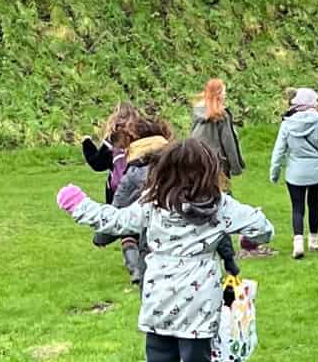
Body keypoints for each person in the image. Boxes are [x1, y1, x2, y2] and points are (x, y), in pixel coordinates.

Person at [58, 140, 275, 362]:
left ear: (163, 170)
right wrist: (247, 235)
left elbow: (116, 220)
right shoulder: (219, 205)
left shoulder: (153, 202)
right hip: (200, 299)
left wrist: (77, 204)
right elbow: (263, 229)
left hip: (159, 295)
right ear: (209, 171)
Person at [97, 116, 242, 285]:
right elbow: (213, 215)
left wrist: (101, 237)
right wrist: (229, 259)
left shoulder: (133, 173)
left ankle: (139, 274)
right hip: (194, 254)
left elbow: (118, 208)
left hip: (152, 249)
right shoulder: (183, 169)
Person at [270, 87, 318, 259]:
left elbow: (279, 151)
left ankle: (298, 243)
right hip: (317, 173)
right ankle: (313, 241)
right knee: (314, 204)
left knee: (297, 207)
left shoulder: (286, 124)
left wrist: (274, 172)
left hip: (295, 174)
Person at [188, 79, 246, 179]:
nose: (225, 95)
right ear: (218, 94)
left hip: (198, 158)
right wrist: (236, 167)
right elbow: (228, 142)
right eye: (224, 92)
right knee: (221, 192)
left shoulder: (197, 111)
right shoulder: (221, 115)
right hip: (217, 163)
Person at [82, 102, 139, 202]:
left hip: (117, 194)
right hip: (139, 191)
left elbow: (97, 164)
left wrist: (87, 143)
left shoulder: (113, 139)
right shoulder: (143, 136)